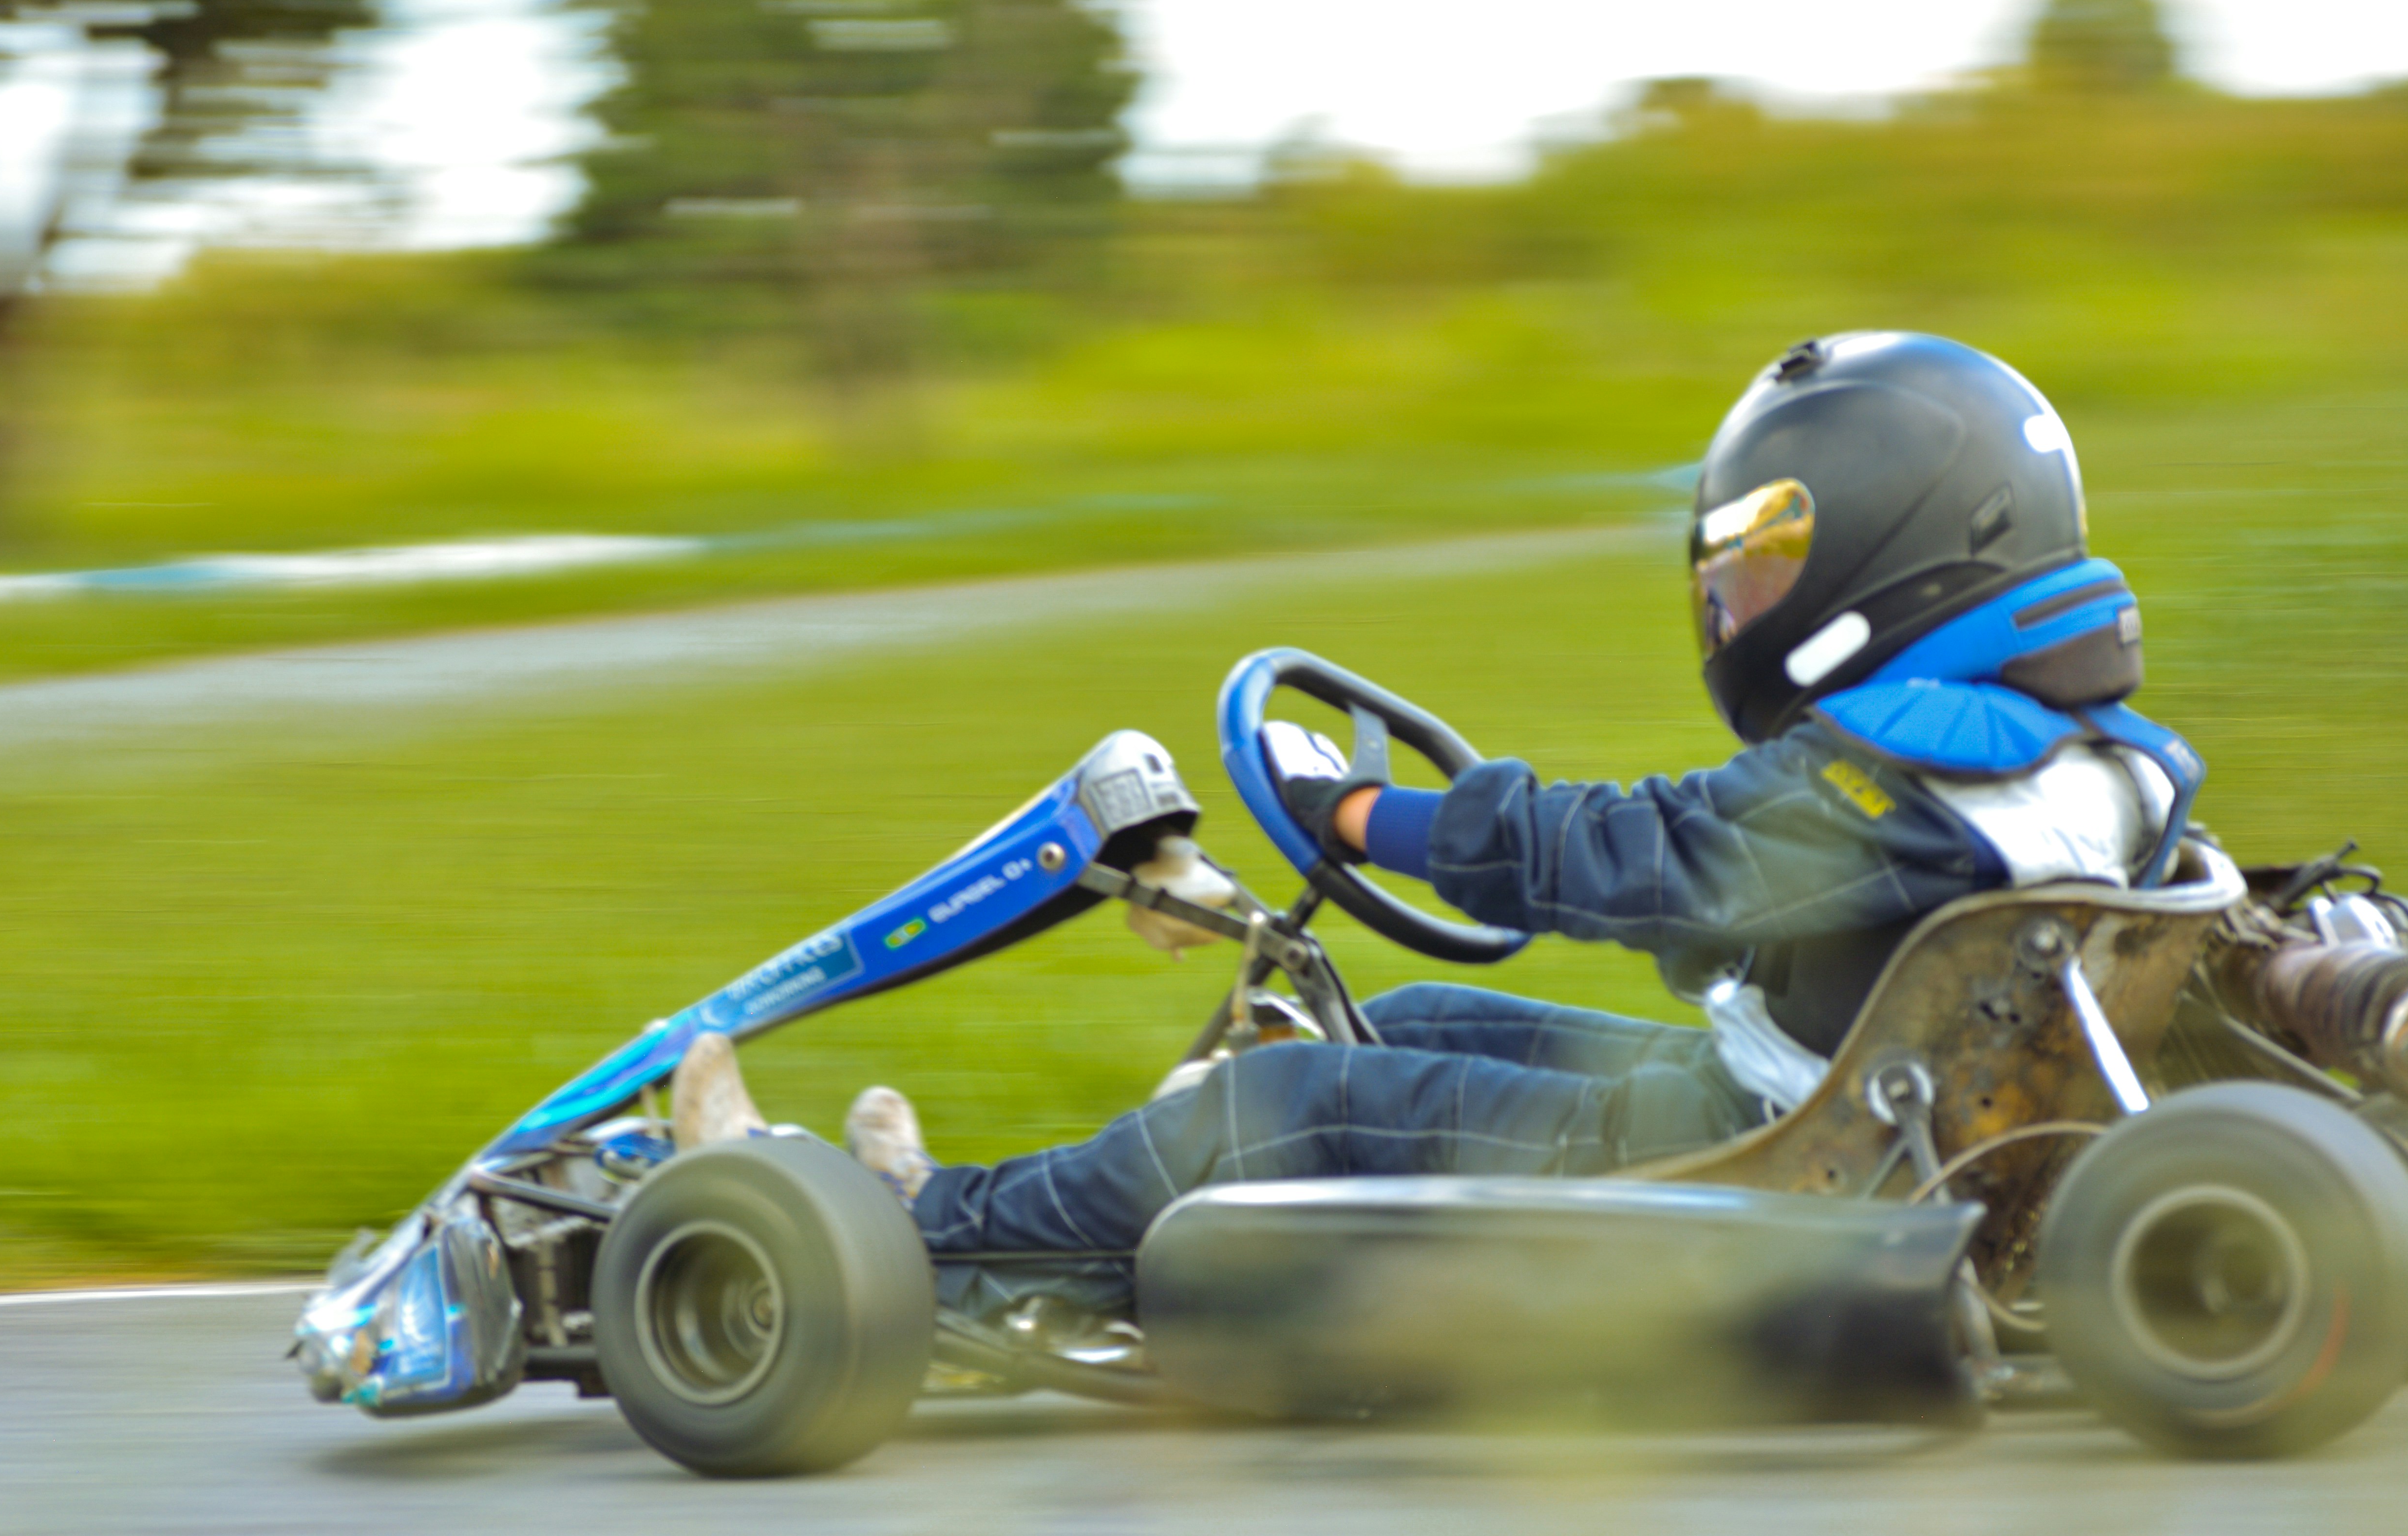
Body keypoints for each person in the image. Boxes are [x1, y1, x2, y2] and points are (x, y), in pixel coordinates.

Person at [674, 331, 2204, 1321]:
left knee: (1270, 1113)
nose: (1738, 602)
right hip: (1814, 1108)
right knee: (1403, 1012)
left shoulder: (1917, 779)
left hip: (1755, 1161)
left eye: (1769, 557)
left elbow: (1633, 857)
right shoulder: (2072, 757)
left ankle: (896, 1238)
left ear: (1894, 551)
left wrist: (1355, 810)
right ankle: (1107, 1248)